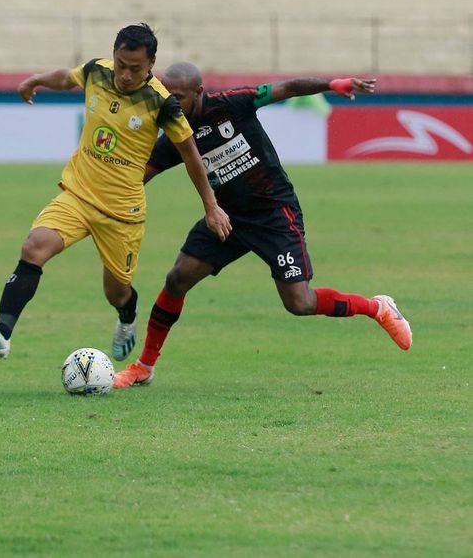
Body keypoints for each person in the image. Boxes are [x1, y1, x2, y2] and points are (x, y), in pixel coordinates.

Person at [114, 62, 412, 388]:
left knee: (300, 303)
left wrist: (333, 83)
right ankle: (144, 365)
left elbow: (288, 87)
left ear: (199, 93)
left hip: (274, 215)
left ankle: (377, 307)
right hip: (227, 217)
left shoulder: (232, 104)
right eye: (166, 97)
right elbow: (139, 176)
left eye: (179, 97)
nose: (172, 104)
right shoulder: (176, 135)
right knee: (177, 278)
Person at [0, 24, 231, 362]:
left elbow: (190, 154)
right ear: (113, 56)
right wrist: (37, 79)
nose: (126, 75)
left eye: (136, 69)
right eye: (121, 64)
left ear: (151, 65)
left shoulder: (162, 103)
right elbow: (67, 77)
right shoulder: (96, 71)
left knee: (115, 292)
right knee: (34, 247)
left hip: (121, 212)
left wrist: (211, 206)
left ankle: (127, 317)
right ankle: (1, 333)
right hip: (78, 195)